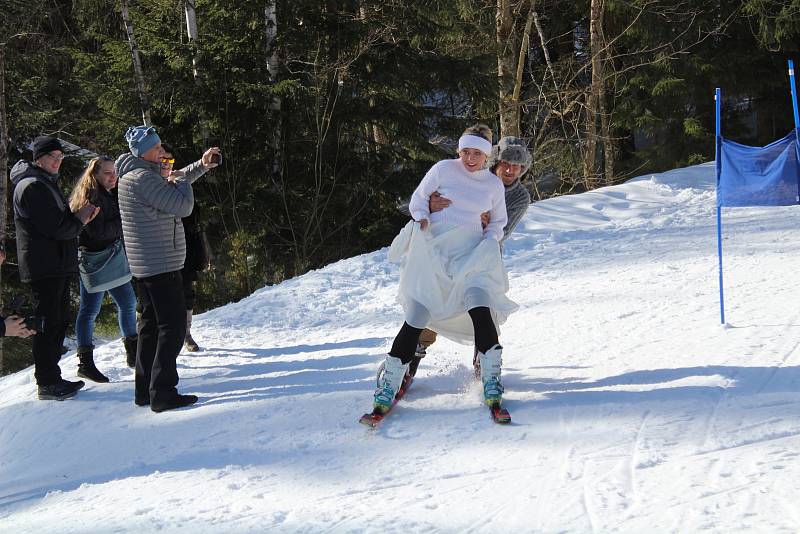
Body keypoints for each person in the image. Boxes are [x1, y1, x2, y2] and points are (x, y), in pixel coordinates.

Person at [372, 124, 518, 414]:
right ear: (459, 150)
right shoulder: (442, 169)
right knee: (418, 312)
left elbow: (499, 222)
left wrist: (488, 242)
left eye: (477, 152)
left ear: (487, 156)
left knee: (479, 304)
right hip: (435, 252)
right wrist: (424, 215)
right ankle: (390, 382)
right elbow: (416, 200)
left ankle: (491, 379)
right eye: (466, 151)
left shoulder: (492, 185)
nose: (470, 158)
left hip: (471, 255)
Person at [115, 125, 219, 412]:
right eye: (157, 148)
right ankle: (163, 393)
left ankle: (145, 390)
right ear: (144, 152)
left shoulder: (136, 175)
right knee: (171, 328)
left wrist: (201, 165)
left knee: (149, 328)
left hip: (148, 265)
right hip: (160, 265)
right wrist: (181, 180)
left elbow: (172, 182)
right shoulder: (142, 179)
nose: (162, 151)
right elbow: (182, 206)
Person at [412, 136, 533, 374]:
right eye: (506, 163)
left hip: (484, 258)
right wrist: (433, 204)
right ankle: (413, 352)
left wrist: (479, 221)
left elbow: (502, 230)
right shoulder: (474, 177)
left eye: (516, 166)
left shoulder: (520, 197)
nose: (510, 170)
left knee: (483, 307)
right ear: (496, 162)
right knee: (439, 297)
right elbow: (439, 200)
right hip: (451, 250)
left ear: (522, 169)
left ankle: (484, 357)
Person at [10, 135, 99, 400]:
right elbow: (56, 228)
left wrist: (77, 217)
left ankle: (52, 378)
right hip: (44, 266)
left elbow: (58, 223)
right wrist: (80, 220)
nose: (58, 162)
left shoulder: (43, 182)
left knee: (57, 321)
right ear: (38, 159)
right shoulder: (32, 186)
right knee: (48, 323)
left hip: (54, 264)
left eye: (61, 157)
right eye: (53, 157)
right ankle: (46, 382)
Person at [68, 156, 138, 382]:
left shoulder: (105, 193)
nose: (113, 176)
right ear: (95, 174)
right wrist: (124, 222)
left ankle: (134, 354)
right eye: (107, 173)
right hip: (97, 261)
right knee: (89, 312)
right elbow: (96, 232)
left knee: (128, 303)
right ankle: (85, 363)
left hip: (111, 259)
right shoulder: (92, 197)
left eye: (114, 172)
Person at [159, 145, 209, 352]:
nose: (167, 166)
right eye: (163, 161)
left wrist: (204, 164)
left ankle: (186, 333)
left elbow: (187, 173)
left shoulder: (177, 181)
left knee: (187, 291)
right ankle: (152, 339)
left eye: (170, 161)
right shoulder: (149, 185)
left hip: (187, 246)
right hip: (161, 249)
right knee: (155, 299)